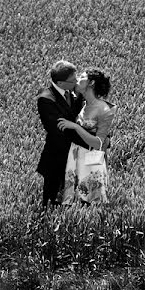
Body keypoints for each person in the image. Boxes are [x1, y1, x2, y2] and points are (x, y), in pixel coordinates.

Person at [57, 67, 117, 205]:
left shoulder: (104, 109)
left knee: (89, 202)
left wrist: (75, 127)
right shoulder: (83, 104)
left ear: (91, 83)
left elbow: (99, 143)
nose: (77, 80)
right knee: (74, 203)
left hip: (91, 159)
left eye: (81, 77)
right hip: (76, 156)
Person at [36, 60, 91, 208]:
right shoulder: (46, 99)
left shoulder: (71, 93)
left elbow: (75, 114)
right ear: (60, 83)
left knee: (78, 197)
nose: (77, 82)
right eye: (73, 80)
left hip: (75, 152)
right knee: (51, 200)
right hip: (58, 155)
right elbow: (58, 129)